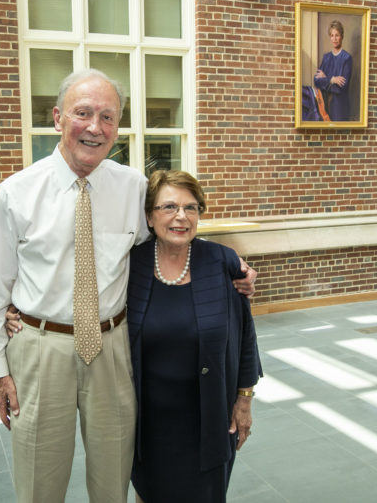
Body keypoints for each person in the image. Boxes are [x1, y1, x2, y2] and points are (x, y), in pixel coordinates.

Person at [0, 68, 257, 503]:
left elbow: (174, 226)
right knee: (39, 482)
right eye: (83, 113)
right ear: (57, 118)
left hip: (112, 347)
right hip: (39, 346)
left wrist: (228, 261)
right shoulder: (15, 194)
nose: (95, 127)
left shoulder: (133, 188)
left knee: (113, 478)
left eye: (108, 117)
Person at [127, 170, 262, 503]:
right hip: (149, 422)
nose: (181, 217)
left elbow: (245, 336)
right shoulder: (130, 265)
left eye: (191, 208)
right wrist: (20, 309)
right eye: (168, 207)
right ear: (149, 216)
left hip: (210, 416)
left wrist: (244, 399)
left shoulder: (222, 262)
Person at [314, 20, 352, 121]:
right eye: (332, 35)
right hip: (325, 106)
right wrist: (332, 79)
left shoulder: (346, 58)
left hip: (340, 108)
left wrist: (325, 78)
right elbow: (316, 81)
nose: (334, 39)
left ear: (342, 36)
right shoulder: (326, 58)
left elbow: (341, 88)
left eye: (337, 35)